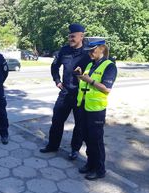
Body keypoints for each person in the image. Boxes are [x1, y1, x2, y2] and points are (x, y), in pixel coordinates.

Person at [40, 23, 91, 160]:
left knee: (79, 124)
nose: (70, 39)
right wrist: (57, 81)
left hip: (81, 95)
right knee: (56, 120)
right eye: (69, 36)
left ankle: (74, 150)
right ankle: (52, 145)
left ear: (82, 36)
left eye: (73, 36)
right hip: (65, 93)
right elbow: (54, 66)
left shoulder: (88, 53)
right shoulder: (64, 50)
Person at [75, 38, 117, 180]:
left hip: (96, 110)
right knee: (87, 137)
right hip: (84, 106)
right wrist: (80, 76)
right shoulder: (91, 64)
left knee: (96, 140)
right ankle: (90, 164)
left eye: (92, 50)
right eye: (89, 51)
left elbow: (106, 89)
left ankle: (99, 170)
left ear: (102, 49)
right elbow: (86, 84)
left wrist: (89, 80)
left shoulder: (109, 66)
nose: (90, 53)